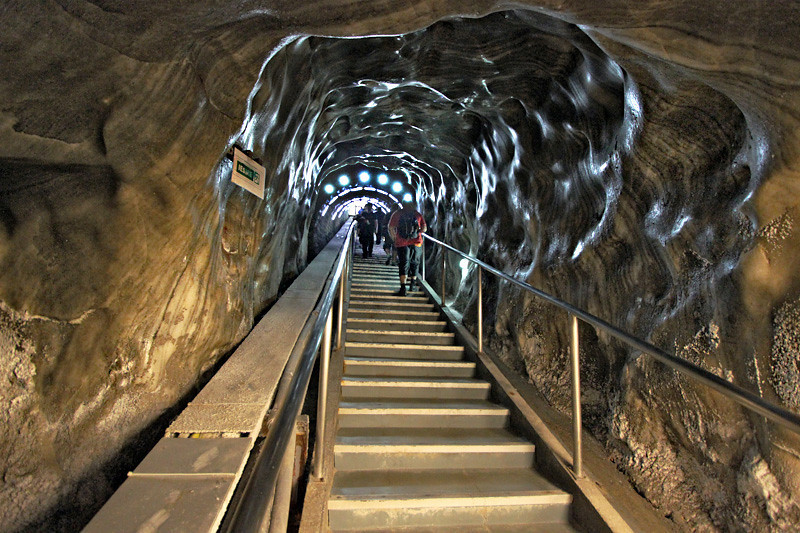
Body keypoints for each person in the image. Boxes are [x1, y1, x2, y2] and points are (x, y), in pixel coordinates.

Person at [388, 199, 427, 296]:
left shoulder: (397, 214)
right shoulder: (417, 214)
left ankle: (403, 288)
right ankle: (413, 285)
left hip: (401, 242)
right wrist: (417, 233)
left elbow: (391, 227)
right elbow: (424, 228)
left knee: (403, 263)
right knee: (415, 263)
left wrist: (394, 238)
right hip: (416, 242)